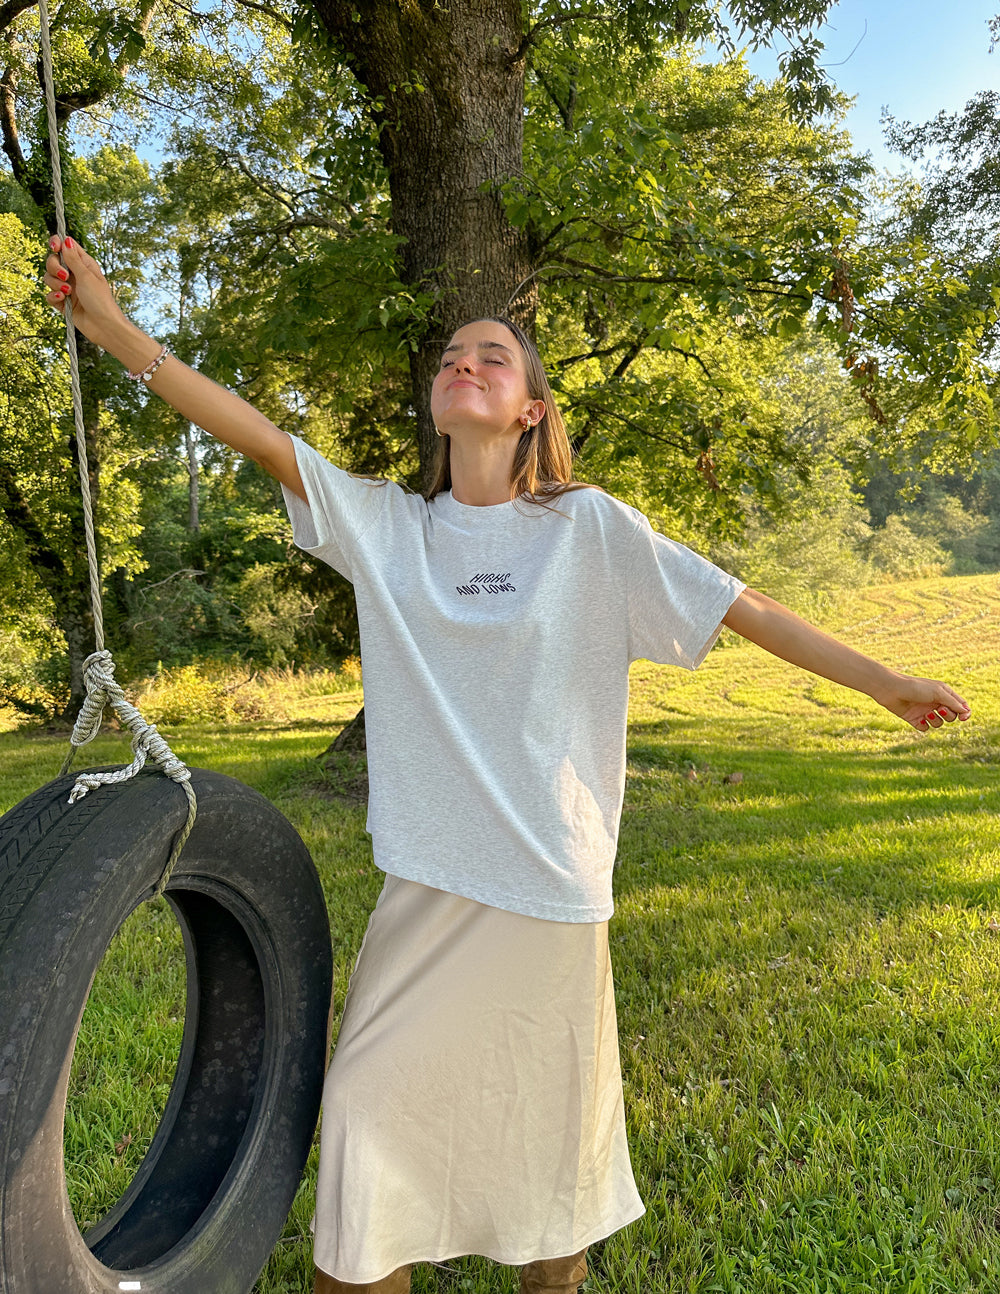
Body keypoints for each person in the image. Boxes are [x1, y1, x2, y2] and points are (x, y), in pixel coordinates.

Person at [44, 235, 970, 1294]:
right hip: (426, 892)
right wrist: (114, 330)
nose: (464, 361)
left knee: (549, 1185)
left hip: (548, 892)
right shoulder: (386, 527)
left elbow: (740, 605)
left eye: (492, 355)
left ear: (530, 407)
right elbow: (258, 436)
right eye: (450, 354)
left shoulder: (588, 530)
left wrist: (881, 682)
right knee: (361, 1145)